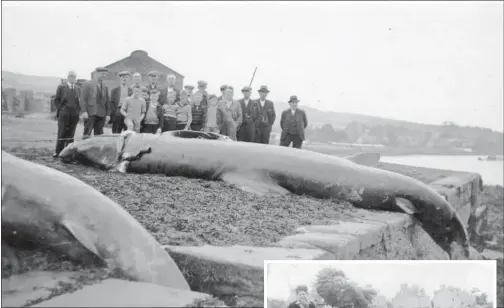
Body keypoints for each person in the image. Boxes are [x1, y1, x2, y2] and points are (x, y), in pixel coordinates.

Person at [53, 70, 81, 157]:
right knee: (61, 132)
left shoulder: (78, 89)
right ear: (68, 78)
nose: (72, 78)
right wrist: (61, 109)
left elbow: (79, 102)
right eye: (71, 76)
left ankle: (68, 153)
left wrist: (78, 111)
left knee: (71, 134)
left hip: (74, 115)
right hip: (64, 114)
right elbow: (56, 100)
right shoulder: (61, 87)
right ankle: (58, 152)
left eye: (74, 77)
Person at [81, 67, 110, 138]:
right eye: (102, 74)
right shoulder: (87, 84)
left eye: (105, 74)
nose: (104, 76)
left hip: (101, 114)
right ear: (96, 73)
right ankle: (84, 149)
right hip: (90, 113)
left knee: (99, 136)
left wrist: (108, 114)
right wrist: (84, 111)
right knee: (86, 135)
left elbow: (107, 101)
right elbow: (83, 99)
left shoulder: (105, 87)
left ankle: (96, 149)